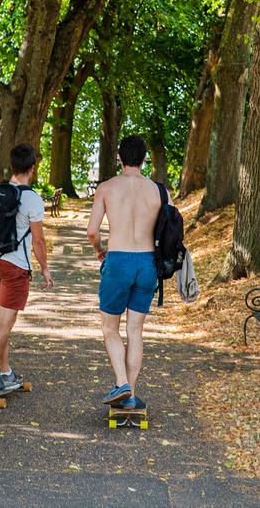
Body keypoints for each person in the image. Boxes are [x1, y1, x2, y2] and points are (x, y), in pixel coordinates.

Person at [86, 135, 160, 412]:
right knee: (135, 330)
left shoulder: (107, 187)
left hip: (118, 260)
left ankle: (121, 383)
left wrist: (99, 250)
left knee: (109, 327)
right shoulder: (157, 190)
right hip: (147, 263)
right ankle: (131, 393)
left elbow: (92, 231)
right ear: (143, 159)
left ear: (119, 158)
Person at [0, 143, 54, 395]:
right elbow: (39, 240)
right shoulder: (31, 198)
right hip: (15, 266)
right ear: (33, 167)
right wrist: (44, 268)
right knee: (4, 324)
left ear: (12, 165)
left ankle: (5, 372)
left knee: (0, 322)